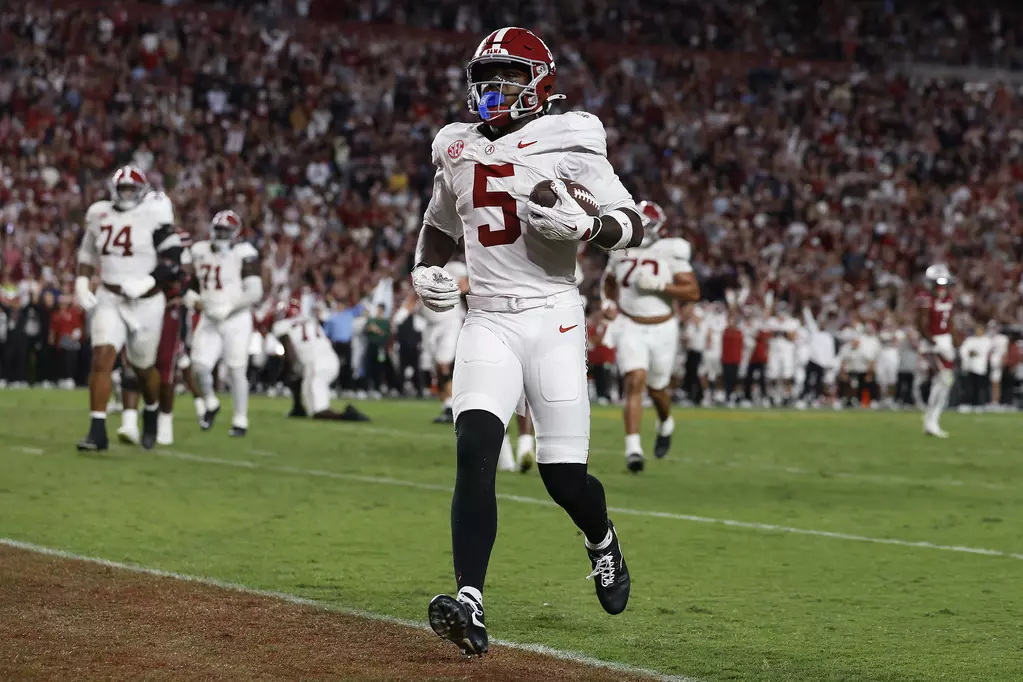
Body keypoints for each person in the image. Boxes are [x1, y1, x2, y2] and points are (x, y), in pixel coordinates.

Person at [411, 26, 642, 657]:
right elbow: (438, 224)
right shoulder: (452, 145)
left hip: (555, 319)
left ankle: (601, 539)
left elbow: (634, 222)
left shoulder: (572, 136)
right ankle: (470, 602)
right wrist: (425, 268)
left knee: (564, 478)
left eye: (508, 75)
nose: (493, 88)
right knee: (475, 445)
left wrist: (591, 225)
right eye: (486, 76)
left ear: (539, 82)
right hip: (486, 318)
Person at [75, 166, 183, 451]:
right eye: (122, 189)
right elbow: (87, 251)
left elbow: (174, 260)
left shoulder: (153, 215)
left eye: (131, 189)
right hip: (110, 296)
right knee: (102, 358)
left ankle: (151, 407)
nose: (126, 194)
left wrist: (148, 280)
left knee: (143, 367)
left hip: (146, 302)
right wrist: (82, 281)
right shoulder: (98, 213)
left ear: (142, 191)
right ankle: (97, 431)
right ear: (113, 189)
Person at [601, 200, 698, 472]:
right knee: (634, 380)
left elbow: (692, 292)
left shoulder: (670, 250)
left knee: (657, 389)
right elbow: (608, 284)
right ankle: (633, 449)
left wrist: (661, 285)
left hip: (663, 328)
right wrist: (607, 303)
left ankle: (666, 421)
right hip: (630, 324)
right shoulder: (619, 251)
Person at [187, 210, 263, 437]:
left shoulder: (244, 253)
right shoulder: (199, 251)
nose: (221, 235)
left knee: (236, 369)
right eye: (218, 230)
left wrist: (229, 308)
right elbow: (192, 283)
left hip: (236, 319)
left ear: (236, 233)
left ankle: (240, 419)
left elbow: (255, 291)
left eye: (226, 231)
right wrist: (192, 298)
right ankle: (211, 403)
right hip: (209, 317)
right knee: (199, 366)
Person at [272, 297, 370, 422]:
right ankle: (298, 409)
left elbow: (289, 355)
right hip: (328, 359)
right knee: (298, 379)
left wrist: (284, 373)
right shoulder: (310, 320)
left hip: (316, 364)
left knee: (318, 412)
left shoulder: (283, 326)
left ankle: (347, 415)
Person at [916, 264, 957, 437]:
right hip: (933, 342)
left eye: (944, 284)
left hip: (945, 341)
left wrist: (955, 341)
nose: (941, 288)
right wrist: (931, 341)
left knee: (945, 383)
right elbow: (921, 323)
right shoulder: (925, 298)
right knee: (943, 379)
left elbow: (950, 322)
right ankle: (930, 421)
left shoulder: (948, 298)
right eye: (938, 284)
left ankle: (931, 419)